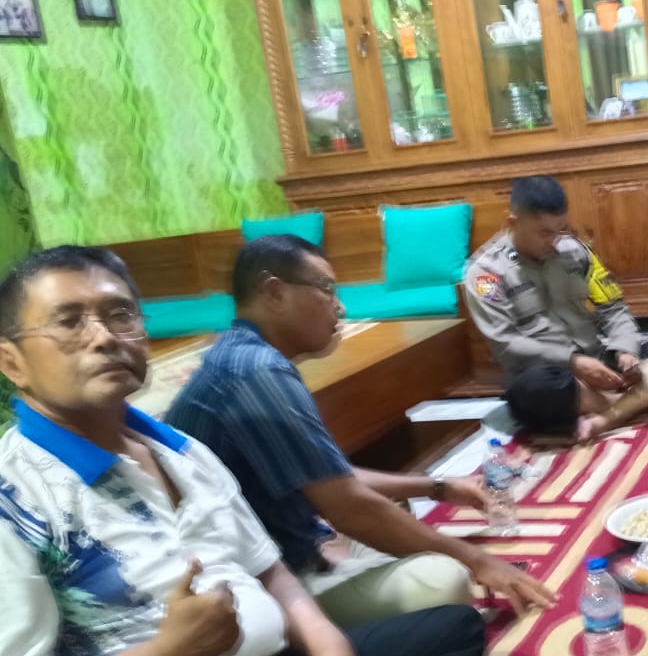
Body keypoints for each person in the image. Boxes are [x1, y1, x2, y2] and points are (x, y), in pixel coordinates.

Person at [0, 245, 581, 656]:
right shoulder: (15, 498)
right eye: (69, 321)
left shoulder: (180, 451)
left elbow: (269, 569)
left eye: (120, 314)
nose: (104, 337)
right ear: (12, 362)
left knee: (448, 632)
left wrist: (331, 653)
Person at [166, 236, 555, 626]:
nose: (341, 307)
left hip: (287, 543)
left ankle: (346, 568)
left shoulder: (243, 355)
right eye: (326, 289)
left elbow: (330, 478)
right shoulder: (257, 371)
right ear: (274, 293)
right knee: (444, 580)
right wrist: (477, 561)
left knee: (393, 511)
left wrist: (438, 487)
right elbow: (348, 505)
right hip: (263, 584)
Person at [465, 175, 648, 441]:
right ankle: (640, 396)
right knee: (533, 390)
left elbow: (613, 308)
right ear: (512, 223)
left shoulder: (576, 252)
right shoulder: (486, 274)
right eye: (544, 233)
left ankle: (608, 416)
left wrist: (625, 351)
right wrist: (573, 362)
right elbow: (506, 344)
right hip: (557, 377)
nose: (554, 241)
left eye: (560, 230)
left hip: (603, 363)